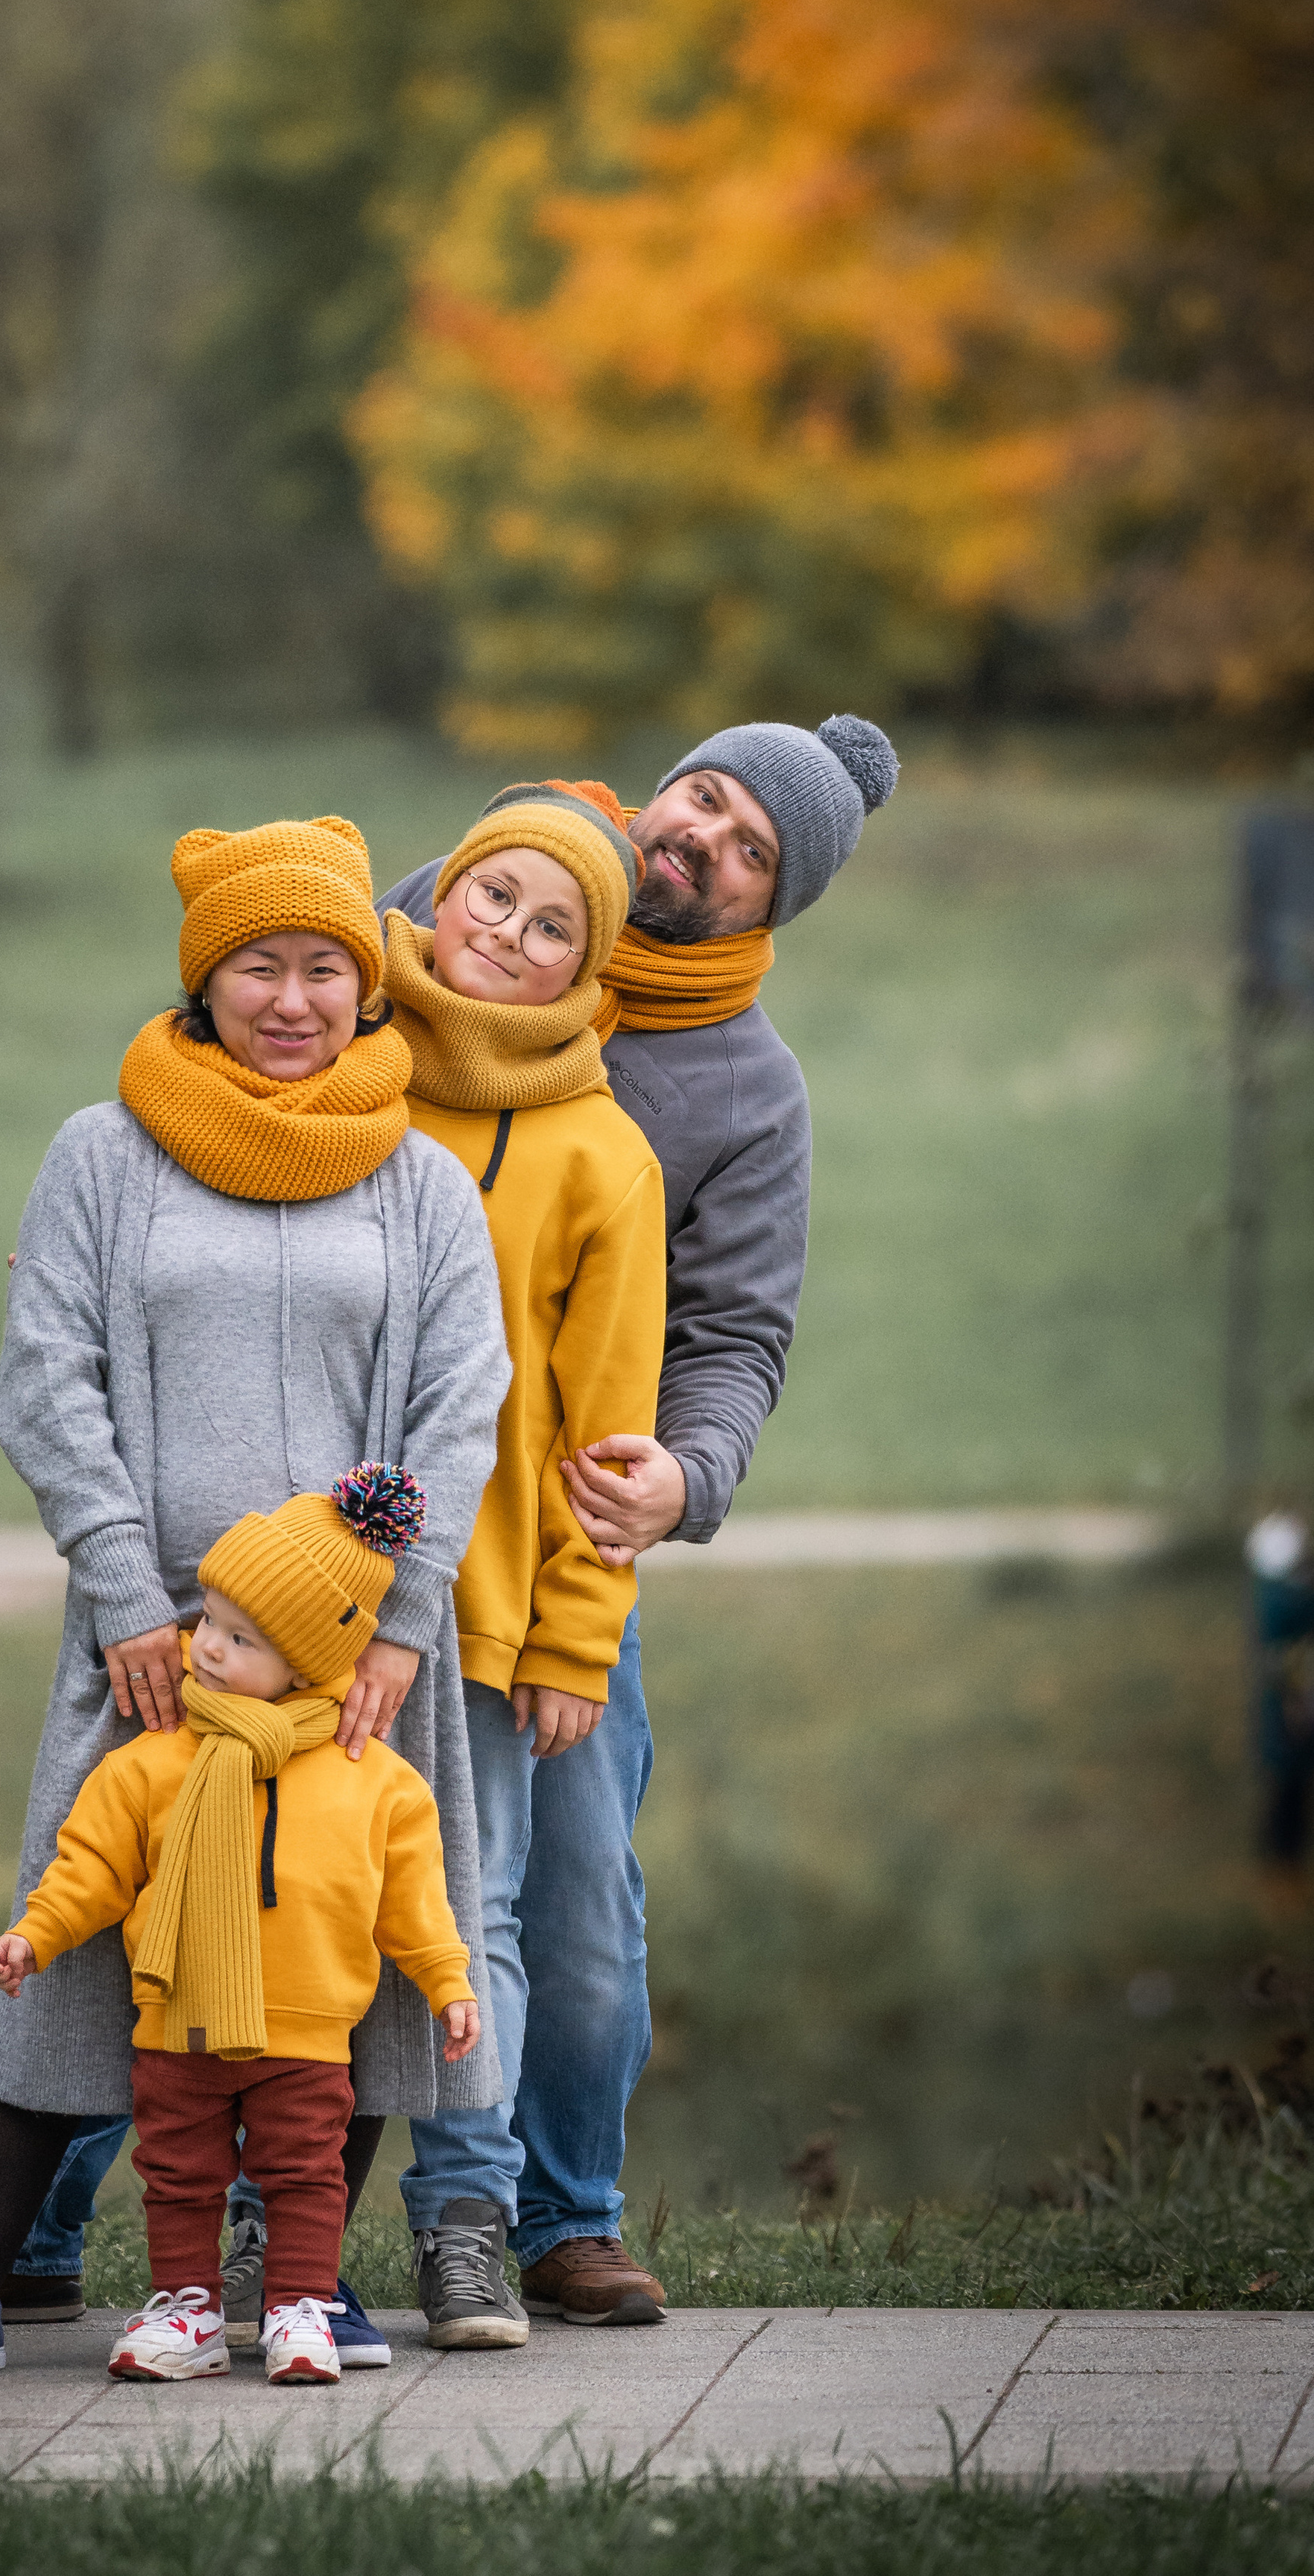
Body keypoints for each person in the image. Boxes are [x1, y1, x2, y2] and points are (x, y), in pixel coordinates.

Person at [0, 814, 510, 2380]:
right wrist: (124, 1585)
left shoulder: (416, 1183)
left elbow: (458, 1409)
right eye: (256, 967)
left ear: (364, 983)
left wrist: (400, 1618)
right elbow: (45, 1378)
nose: (292, 999)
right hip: (155, 1649)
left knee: (334, 1955)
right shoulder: (103, 1154)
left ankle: (299, 2295)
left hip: (350, 1665)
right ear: (202, 986)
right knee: (63, 1944)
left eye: (324, 966)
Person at [376, 713, 897, 2334]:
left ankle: (559, 2218)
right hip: (327, 1526)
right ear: (661, 786)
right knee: (205, 1858)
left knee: (576, 1912)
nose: (709, 846)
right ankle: (17, 2225)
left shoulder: (743, 1089)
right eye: (710, 803)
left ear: (763, 911)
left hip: (553, 1545)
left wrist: (689, 1474)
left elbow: (735, 1338)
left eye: (753, 856)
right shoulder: (454, 915)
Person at [0, 1469, 480, 2389]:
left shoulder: (374, 1781)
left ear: (308, 1665)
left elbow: (414, 1903)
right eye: (209, 1623)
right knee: (179, 2175)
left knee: (305, 2175)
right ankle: (185, 2308)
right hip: (178, 2023)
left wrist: (449, 1984)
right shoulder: (152, 1763)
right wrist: (36, 1933)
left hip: (307, 2033)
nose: (206, 1649)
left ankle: (298, 2306)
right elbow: (94, 1869)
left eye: (238, 1638)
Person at [373, 783, 667, 2346]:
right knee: (260, 1903)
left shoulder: (599, 1153)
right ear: (440, 893)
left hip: (476, 1607)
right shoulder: (337, 1067)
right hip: (285, 1598)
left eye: (552, 927)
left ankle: (468, 2226)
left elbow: (607, 1433)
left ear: (582, 972)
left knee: (469, 1918)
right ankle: (246, 2234)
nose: (509, 935)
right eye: (493, 895)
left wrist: (570, 1639)